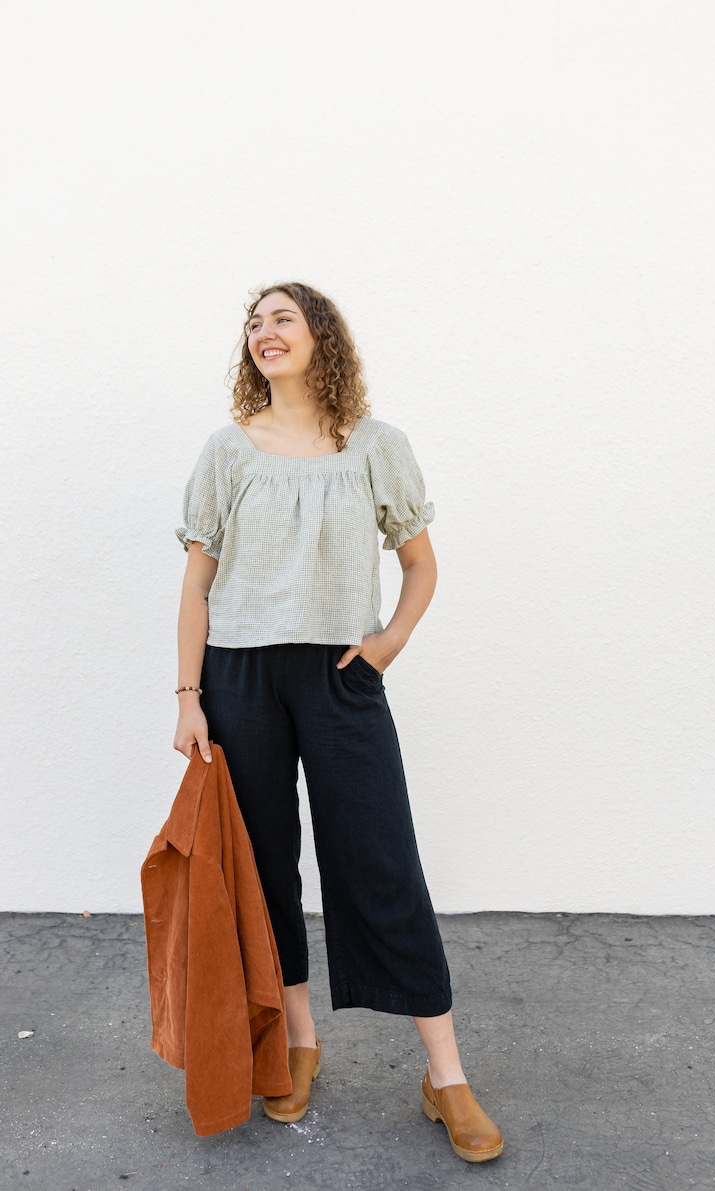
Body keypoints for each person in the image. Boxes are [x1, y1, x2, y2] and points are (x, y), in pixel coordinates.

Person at [173, 281, 503, 1163]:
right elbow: (198, 585)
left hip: (341, 672)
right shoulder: (227, 451)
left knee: (380, 856)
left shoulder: (376, 446)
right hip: (239, 675)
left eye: (282, 316)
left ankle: (446, 1075)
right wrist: (187, 697)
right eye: (253, 322)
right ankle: (298, 1039)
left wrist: (389, 641)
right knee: (267, 864)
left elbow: (421, 563)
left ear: (322, 334)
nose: (263, 331)